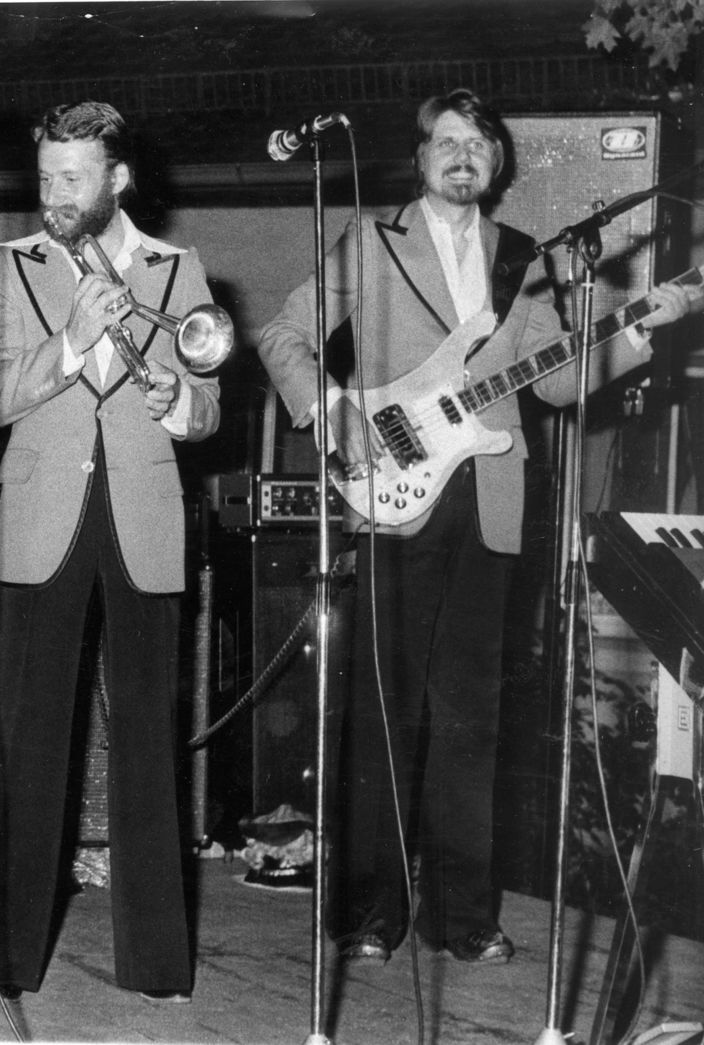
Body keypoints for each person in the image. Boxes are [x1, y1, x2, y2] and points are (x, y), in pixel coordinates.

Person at [257, 88, 699, 966]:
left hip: (489, 499)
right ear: (421, 158)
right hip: (391, 491)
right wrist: (333, 409)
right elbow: (281, 334)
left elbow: (555, 380)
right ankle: (371, 909)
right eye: (447, 142)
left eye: (478, 145)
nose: (463, 155)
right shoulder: (374, 242)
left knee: (471, 721)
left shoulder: (522, 256)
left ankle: (461, 914)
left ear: (495, 165)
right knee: (385, 712)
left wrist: (639, 331)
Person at [0, 100, 221, 1004]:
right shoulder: (14, 265)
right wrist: (72, 341)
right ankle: (4, 959)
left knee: (150, 739)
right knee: (27, 738)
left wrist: (179, 405)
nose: (55, 194)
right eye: (46, 176)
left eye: (72, 177)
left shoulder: (177, 268)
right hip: (43, 512)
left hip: (144, 511)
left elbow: (208, 401)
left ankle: (155, 966)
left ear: (119, 178)